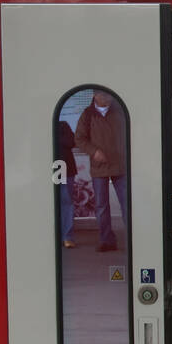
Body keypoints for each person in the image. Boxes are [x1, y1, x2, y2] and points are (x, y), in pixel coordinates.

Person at [75, 90, 128, 252]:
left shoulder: (120, 110)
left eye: (109, 96)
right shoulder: (88, 114)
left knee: (127, 203)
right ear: (94, 96)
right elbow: (79, 138)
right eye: (103, 96)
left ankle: (133, 238)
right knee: (101, 206)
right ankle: (107, 240)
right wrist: (94, 151)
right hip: (99, 167)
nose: (107, 99)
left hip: (120, 165)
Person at [57, 119, 77, 249]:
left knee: (66, 202)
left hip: (64, 168)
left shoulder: (62, 124)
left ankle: (67, 237)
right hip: (47, 168)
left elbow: (71, 142)